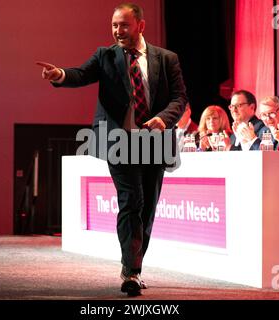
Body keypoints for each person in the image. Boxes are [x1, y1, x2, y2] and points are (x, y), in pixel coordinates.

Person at [37, 3, 187, 296]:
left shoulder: (167, 59)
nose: (118, 31)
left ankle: (135, 265)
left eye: (124, 25)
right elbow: (80, 74)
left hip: (155, 141)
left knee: (148, 207)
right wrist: (60, 75)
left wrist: (162, 118)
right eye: (115, 25)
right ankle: (129, 272)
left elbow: (180, 98)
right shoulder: (105, 56)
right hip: (120, 142)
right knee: (132, 201)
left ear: (141, 26)